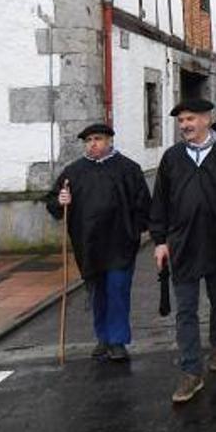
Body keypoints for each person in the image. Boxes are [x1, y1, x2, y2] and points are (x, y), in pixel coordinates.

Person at [149, 98, 216, 403]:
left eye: (190, 119)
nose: (185, 126)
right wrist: (160, 241)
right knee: (186, 310)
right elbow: (160, 202)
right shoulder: (172, 157)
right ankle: (191, 371)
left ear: (207, 119)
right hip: (182, 244)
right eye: (181, 121)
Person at [45, 123, 151, 362]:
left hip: (120, 242)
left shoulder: (128, 169)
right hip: (88, 243)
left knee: (117, 290)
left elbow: (143, 203)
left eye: (97, 139)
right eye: (88, 140)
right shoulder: (73, 172)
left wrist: (135, 230)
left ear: (109, 141)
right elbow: (53, 202)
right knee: (98, 292)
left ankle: (117, 340)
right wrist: (61, 200)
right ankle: (102, 337)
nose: (92, 144)